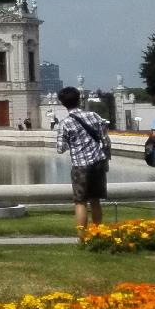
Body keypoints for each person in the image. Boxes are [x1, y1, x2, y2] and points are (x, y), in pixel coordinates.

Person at [53, 86, 111, 236]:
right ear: (79, 99)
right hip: (98, 163)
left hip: (80, 166)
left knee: (80, 202)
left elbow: (60, 148)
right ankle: (98, 234)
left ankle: (82, 237)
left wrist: (72, 142)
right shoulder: (94, 116)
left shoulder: (65, 123)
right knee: (95, 201)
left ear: (63, 104)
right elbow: (105, 140)